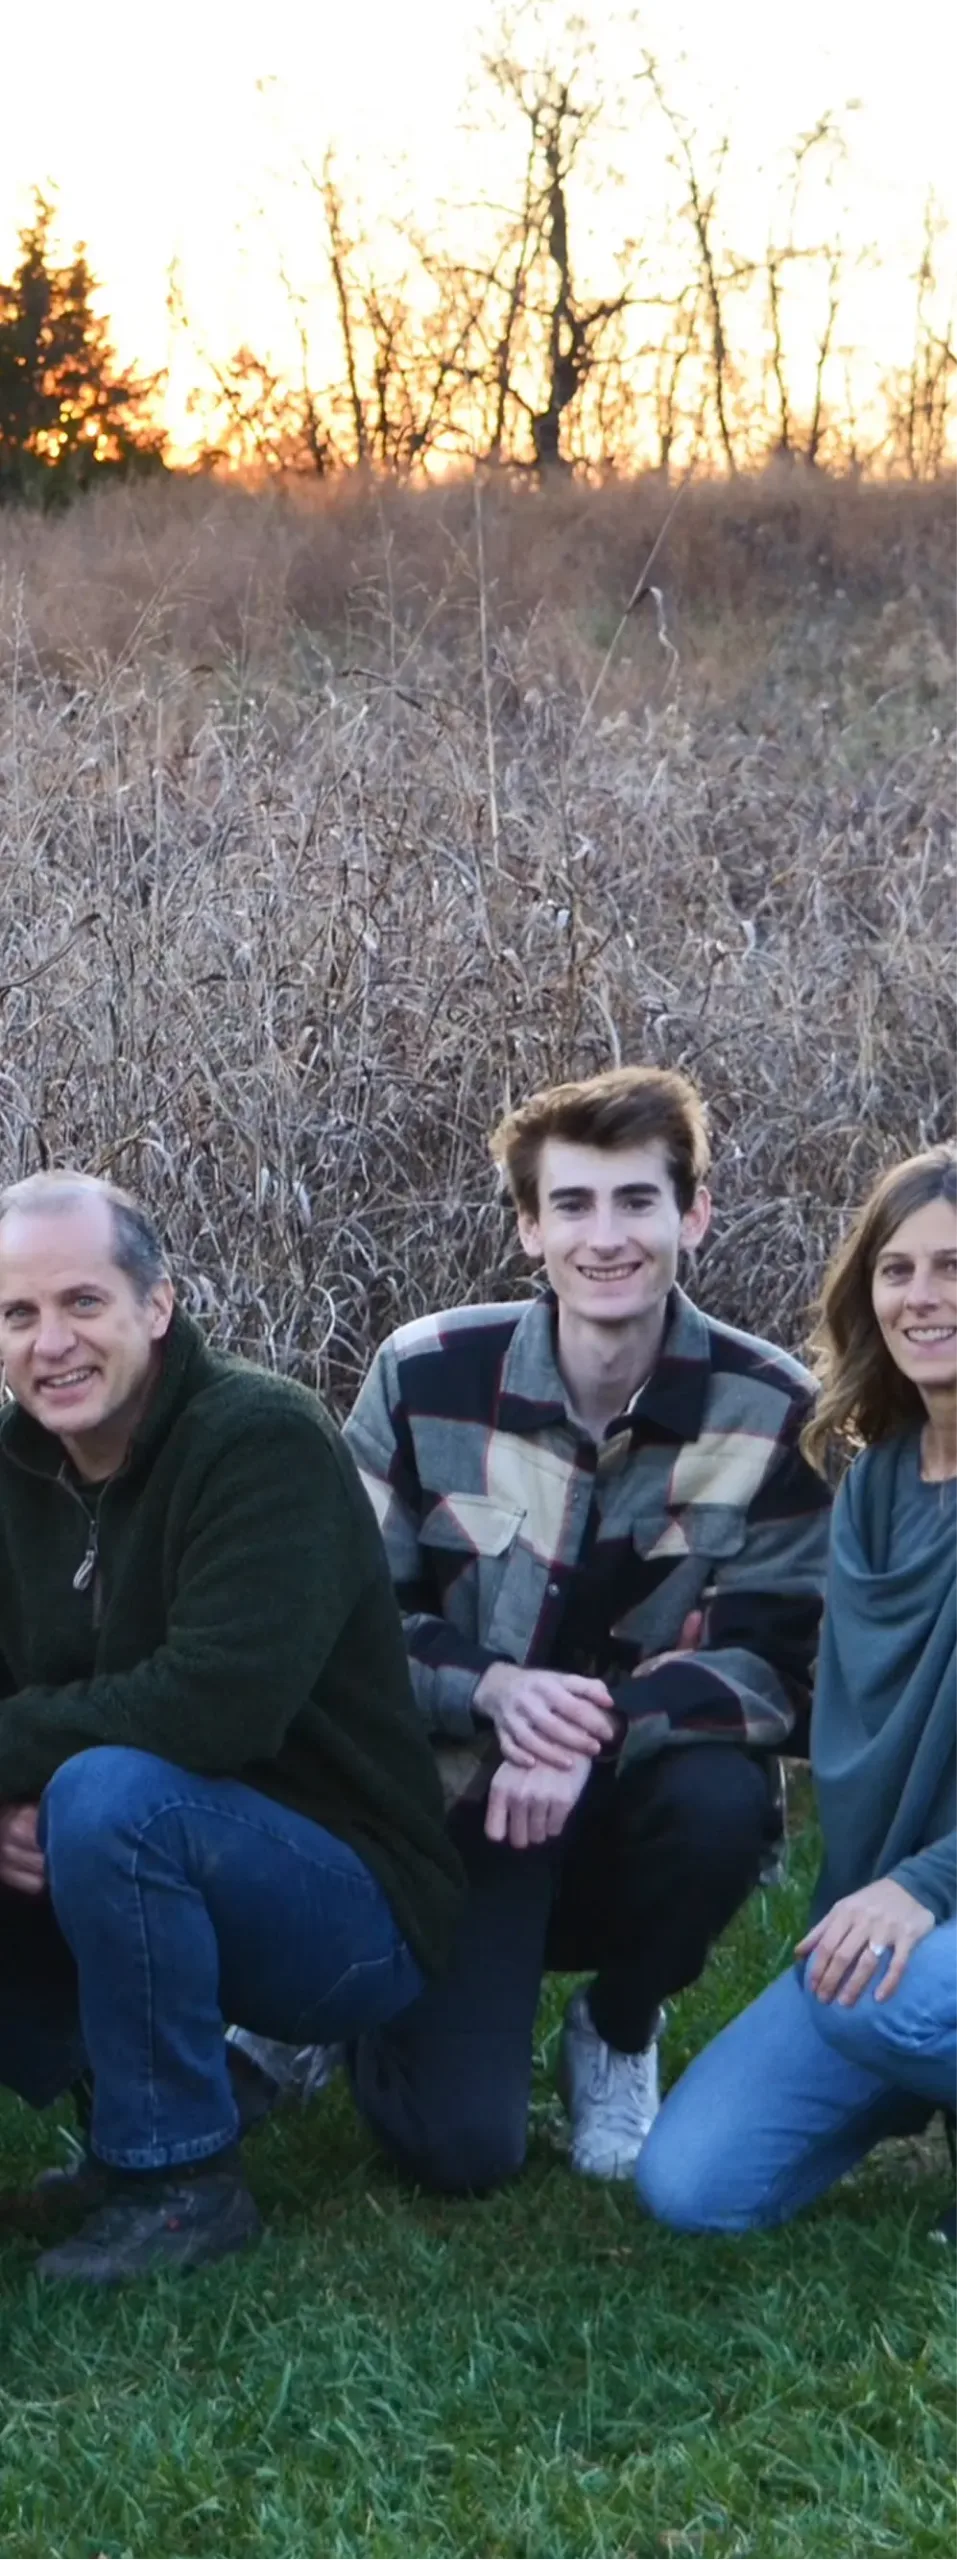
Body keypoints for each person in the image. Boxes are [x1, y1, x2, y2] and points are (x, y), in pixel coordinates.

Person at [266, 1066, 828, 2194]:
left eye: (637, 1201)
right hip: (455, 1799)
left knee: (725, 1807)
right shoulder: (426, 1375)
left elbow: (783, 1665)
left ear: (694, 1215)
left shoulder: (771, 1406)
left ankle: (618, 2027)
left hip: (637, 1800)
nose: (605, 1236)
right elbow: (344, 1618)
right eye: (572, 1204)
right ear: (528, 1227)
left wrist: (588, 1726)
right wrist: (493, 1693)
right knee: (460, 2152)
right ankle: (354, 1993)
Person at [0, 1172, 463, 2284]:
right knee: (89, 1794)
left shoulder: (261, 1440)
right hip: (134, 1848)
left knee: (110, 1798)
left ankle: (182, 2180)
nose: (50, 1342)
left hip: (347, 1899)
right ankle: (121, 2139)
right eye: (18, 1315)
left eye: (82, 1303)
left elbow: (215, 1705)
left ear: (157, 1306)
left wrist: (23, 1766)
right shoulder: (12, 1468)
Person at [636, 1144, 957, 2237]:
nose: (924, 1296)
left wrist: (928, 1885)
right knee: (694, 2184)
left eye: (955, 1266)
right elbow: (841, 1698)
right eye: (899, 1268)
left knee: (893, 1997)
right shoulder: (874, 1487)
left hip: (925, 1906)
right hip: (890, 1908)